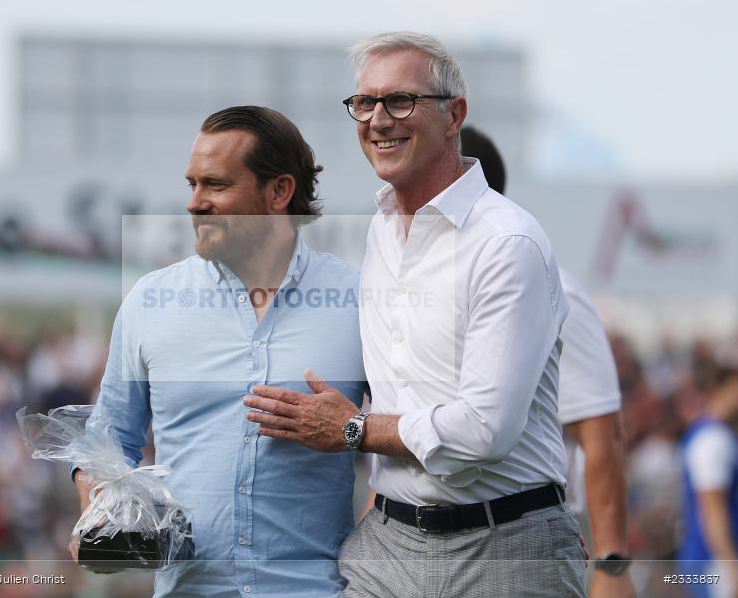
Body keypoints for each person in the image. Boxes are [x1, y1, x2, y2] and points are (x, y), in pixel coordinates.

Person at [244, 32, 585, 597]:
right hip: (390, 542)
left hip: (506, 549)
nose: (378, 119)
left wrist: (351, 429)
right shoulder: (383, 229)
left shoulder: (507, 242)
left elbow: (484, 430)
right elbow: (402, 392)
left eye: (400, 101)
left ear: (455, 115)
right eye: (364, 103)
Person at [71, 105, 368, 597]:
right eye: (192, 184)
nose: (194, 202)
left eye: (216, 185)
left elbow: (404, 452)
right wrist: (102, 513)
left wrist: (355, 439)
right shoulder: (150, 301)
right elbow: (106, 441)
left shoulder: (358, 301)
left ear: (279, 192)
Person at [460, 125, 635, 598]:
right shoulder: (421, 293)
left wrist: (613, 565)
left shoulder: (552, 284)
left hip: (532, 531)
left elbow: (601, 432)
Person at [679, 366, 738, 598]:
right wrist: (730, 566)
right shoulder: (713, 439)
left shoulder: (712, 433)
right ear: (719, 389)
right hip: (712, 563)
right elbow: (712, 510)